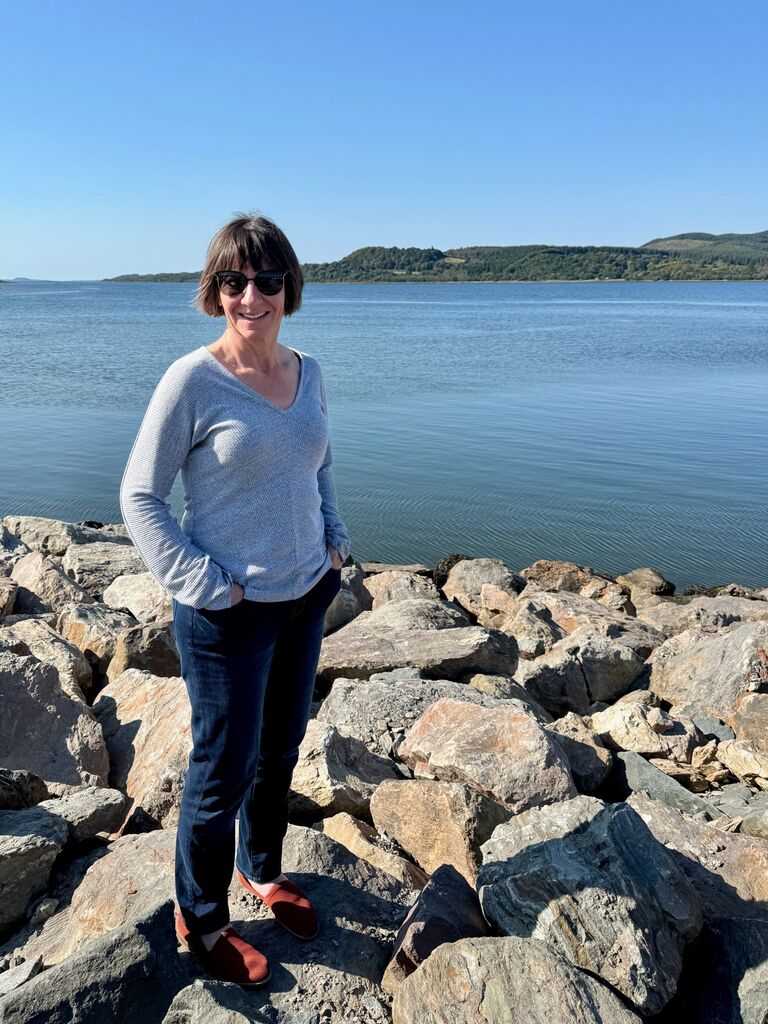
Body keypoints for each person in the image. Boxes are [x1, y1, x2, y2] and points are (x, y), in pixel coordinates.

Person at [119, 213, 350, 988]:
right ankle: (203, 916)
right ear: (214, 291)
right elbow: (139, 496)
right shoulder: (193, 379)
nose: (251, 295)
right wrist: (204, 585)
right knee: (223, 767)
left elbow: (315, 466)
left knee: (281, 748)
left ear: (290, 287)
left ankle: (261, 869)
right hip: (228, 612)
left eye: (268, 280)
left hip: (305, 594)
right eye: (234, 281)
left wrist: (335, 543)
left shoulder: (308, 371)